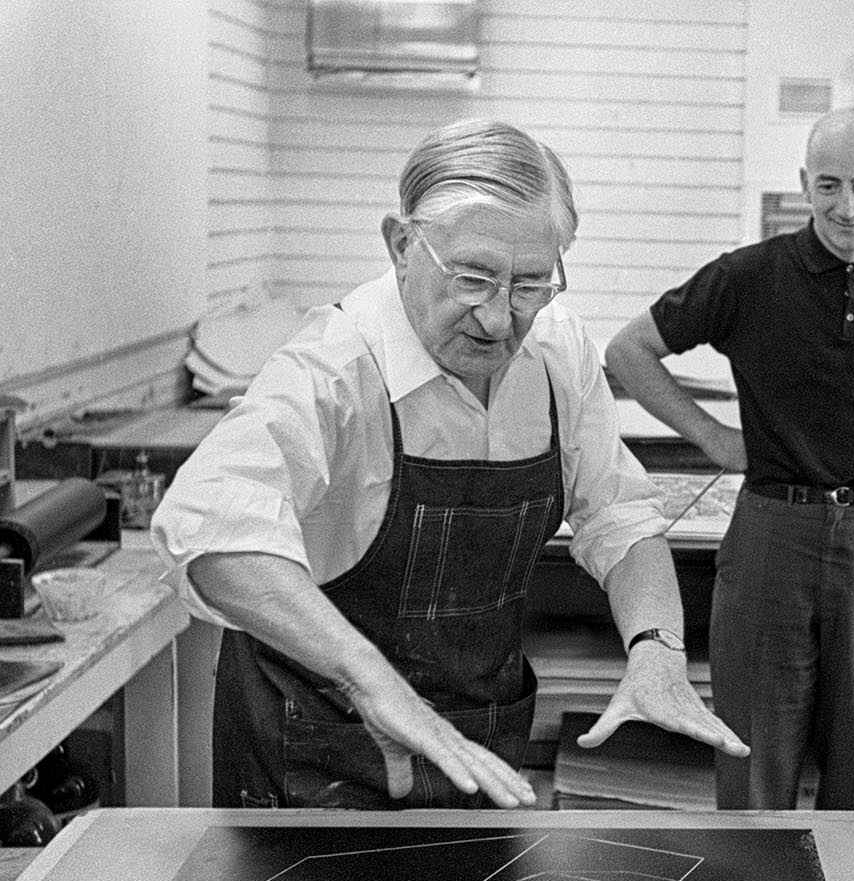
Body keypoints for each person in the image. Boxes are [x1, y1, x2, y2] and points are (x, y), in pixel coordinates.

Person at [152, 118, 746, 811]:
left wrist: (656, 646)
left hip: (478, 750)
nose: (499, 319)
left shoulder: (558, 356)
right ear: (402, 245)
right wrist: (370, 681)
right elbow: (210, 526)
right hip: (311, 760)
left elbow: (617, 513)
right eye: (474, 278)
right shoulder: (335, 368)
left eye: (529, 285)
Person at [606, 107, 854, 810]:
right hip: (769, 536)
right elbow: (628, 352)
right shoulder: (748, 277)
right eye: (828, 186)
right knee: (751, 759)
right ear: (803, 185)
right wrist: (711, 436)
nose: (847, 208)